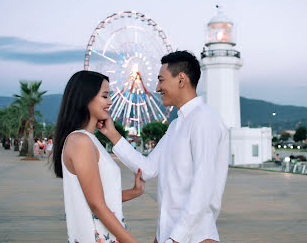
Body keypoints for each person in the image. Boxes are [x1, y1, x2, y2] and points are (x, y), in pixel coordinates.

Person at [98, 51, 229, 243]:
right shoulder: (177, 125)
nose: (157, 87)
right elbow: (149, 169)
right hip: (168, 233)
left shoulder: (204, 119)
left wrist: (175, 238)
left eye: (161, 80)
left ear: (181, 80)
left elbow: (204, 185)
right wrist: (112, 134)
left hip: (195, 236)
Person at [51, 70, 143, 243]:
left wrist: (135, 192)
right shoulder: (81, 141)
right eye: (105, 96)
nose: (110, 102)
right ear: (86, 98)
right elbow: (97, 205)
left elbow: (98, 197)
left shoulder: (88, 140)